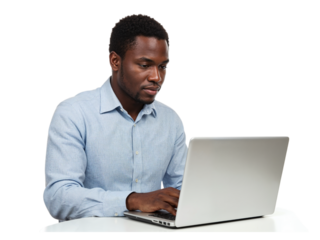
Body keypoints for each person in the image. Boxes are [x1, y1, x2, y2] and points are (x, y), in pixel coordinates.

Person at [42, 13, 188, 221]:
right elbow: (58, 198)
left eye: (163, 66)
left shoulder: (171, 120)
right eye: (144, 65)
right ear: (114, 61)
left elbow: (185, 189)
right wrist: (132, 200)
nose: (157, 77)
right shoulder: (73, 113)